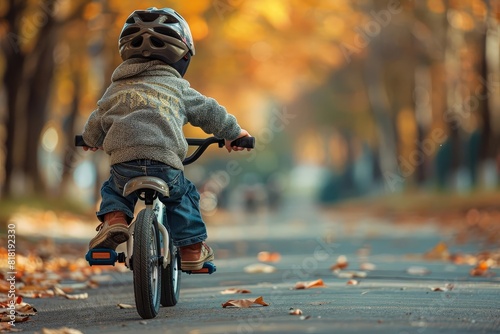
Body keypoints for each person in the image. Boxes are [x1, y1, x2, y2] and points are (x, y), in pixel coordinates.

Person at [80, 7, 252, 271]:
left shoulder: (116, 88)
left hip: (124, 163)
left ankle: (115, 221)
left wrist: (91, 139)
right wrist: (234, 133)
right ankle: (192, 249)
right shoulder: (178, 88)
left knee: (114, 190)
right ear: (182, 56)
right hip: (165, 162)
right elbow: (209, 112)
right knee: (184, 196)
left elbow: (97, 119)